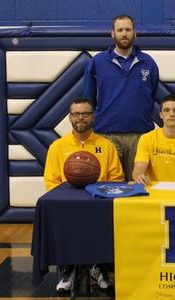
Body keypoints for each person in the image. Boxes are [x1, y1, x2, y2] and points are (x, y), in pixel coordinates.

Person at [43, 97, 124, 292]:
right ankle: (68, 268)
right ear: (70, 118)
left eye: (85, 113)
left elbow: (117, 178)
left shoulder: (106, 146)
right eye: (76, 114)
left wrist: (102, 196)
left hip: (98, 203)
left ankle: (100, 267)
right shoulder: (58, 146)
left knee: (107, 220)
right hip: (68, 204)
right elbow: (51, 182)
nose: (81, 118)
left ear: (93, 117)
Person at [83, 14, 159, 182]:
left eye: (128, 29)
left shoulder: (148, 63)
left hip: (141, 136)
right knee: (108, 187)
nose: (124, 34)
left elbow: (152, 96)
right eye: (120, 30)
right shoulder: (98, 62)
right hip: (106, 135)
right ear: (112, 33)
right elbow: (88, 100)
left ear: (135, 33)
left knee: (139, 187)